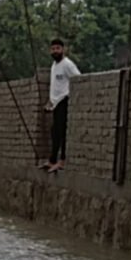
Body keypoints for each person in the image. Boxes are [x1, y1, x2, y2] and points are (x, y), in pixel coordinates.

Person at [43, 38, 81, 174]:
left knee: (61, 132)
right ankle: (52, 160)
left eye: (58, 48)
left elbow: (78, 79)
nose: (55, 51)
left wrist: (70, 97)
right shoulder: (54, 66)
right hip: (55, 104)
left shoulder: (67, 65)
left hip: (64, 101)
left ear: (63, 50)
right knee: (55, 132)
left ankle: (62, 160)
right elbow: (55, 86)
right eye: (53, 49)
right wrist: (50, 101)